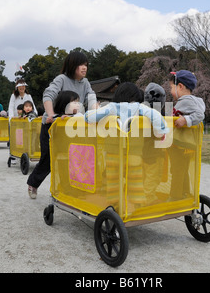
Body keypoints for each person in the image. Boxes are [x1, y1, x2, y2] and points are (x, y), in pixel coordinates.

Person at [85, 82, 169, 208]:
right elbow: (155, 116)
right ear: (135, 96)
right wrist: (160, 132)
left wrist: (87, 117)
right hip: (133, 151)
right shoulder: (139, 107)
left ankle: (113, 205)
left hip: (113, 151)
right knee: (135, 179)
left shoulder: (112, 107)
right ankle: (138, 203)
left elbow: (90, 117)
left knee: (113, 179)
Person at [26, 51, 97, 199]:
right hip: (53, 125)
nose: (84, 68)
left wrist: (96, 114)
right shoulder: (62, 79)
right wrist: (51, 114)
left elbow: (91, 98)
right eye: (81, 65)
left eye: (86, 65)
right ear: (72, 65)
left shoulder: (85, 83)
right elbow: (48, 94)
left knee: (73, 157)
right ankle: (33, 183)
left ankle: (69, 191)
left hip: (73, 126)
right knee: (48, 159)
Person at [168, 70, 205, 200]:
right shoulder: (186, 100)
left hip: (181, 145)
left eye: (171, 87)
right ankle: (184, 193)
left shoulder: (187, 100)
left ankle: (175, 196)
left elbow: (200, 115)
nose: (170, 91)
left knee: (177, 171)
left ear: (180, 86)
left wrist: (186, 120)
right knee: (181, 170)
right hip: (182, 144)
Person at [142, 82, 167, 205]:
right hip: (152, 153)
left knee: (147, 176)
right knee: (153, 177)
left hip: (144, 152)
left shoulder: (141, 112)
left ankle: (144, 196)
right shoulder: (156, 116)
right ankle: (148, 199)